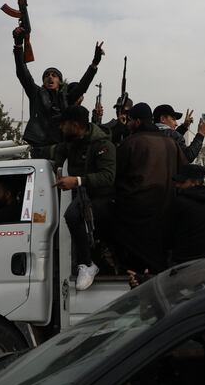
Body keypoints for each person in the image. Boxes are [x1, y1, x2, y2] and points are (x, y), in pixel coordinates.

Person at [113, 102, 187, 277]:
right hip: (166, 209)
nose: (128, 124)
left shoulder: (130, 143)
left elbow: (114, 176)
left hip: (135, 212)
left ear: (137, 122)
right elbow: (184, 171)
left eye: (130, 120)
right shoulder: (171, 143)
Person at [12, 26, 104, 158]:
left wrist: (94, 64)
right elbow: (22, 72)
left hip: (62, 148)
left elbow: (82, 86)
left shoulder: (66, 98)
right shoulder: (36, 93)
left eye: (54, 75)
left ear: (59, 81)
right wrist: (18, 46)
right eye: (47, 75)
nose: (50, 77)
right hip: (40, 148)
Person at [52, 105, 116, 291]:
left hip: (103, 198)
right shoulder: (72, 142)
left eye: (63, 124)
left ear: (75, 125)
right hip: (83, 195)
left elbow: (108, 177)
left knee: (73, 215)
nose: (60, 128)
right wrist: (58, 168)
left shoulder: (103, 145)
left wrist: (77, 181)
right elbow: (58, 150)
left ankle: (87, 264)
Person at [168, 164, 205, 265]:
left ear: (195, 182)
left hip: (182, 262)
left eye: (182, 182)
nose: (177, 185)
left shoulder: (179, 202)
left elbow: (168, 234)